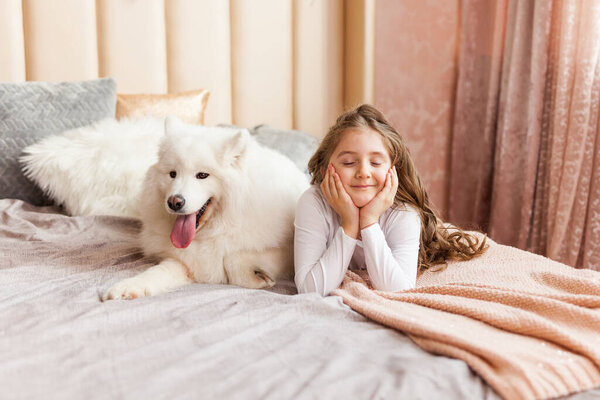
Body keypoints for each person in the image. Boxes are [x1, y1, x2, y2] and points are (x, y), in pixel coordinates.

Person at [294, 104, 487, 296]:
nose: (363, 172)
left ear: (393, 171)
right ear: (324, 170)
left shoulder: (403, 212)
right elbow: (310, 289)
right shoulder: (313, 203)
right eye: (349, 163)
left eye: (376, 162)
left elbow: (399, 290)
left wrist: (369, 222)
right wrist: (350, 224)